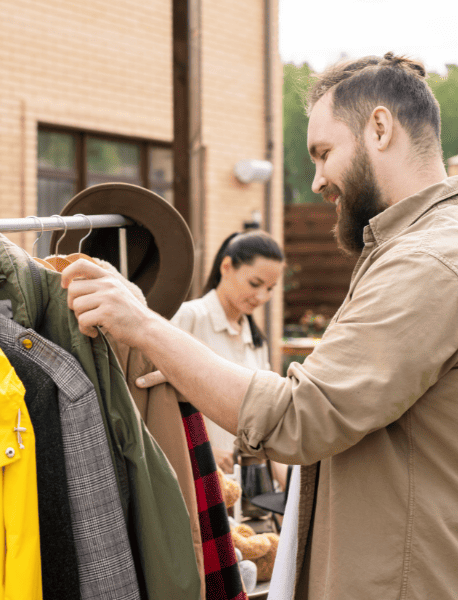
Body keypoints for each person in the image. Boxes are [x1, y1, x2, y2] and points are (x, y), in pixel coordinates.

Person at [61, 52, 458, 599]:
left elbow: (301, 416)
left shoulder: (427, 263)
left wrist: (145, 328)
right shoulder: (417, 251)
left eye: (323, 153)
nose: (317, 179)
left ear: (380, 128)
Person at [170, 229, 286, 485]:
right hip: (193, 479)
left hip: (246, 489)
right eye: (255, 284)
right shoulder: (188, 318)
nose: (262, 297)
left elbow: (266, 417)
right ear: (226, 267)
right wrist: (201, 452)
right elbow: (157, 403)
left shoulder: (256, 340)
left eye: (270, 288)